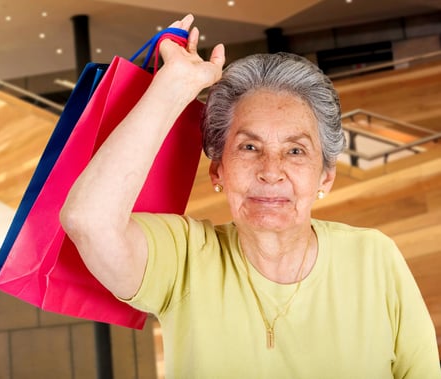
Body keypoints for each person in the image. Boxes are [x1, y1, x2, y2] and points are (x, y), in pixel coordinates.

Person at [60, 14, 440, 378]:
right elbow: (89, 222)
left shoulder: (374, 257)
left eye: (295, 151)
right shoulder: (184, 258)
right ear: (217, 171)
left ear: (326, 176)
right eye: (248, 147)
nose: (270, 171)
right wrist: (173, 87)